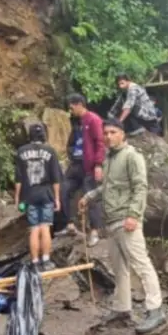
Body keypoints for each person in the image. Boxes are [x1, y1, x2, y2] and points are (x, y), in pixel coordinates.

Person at [79, 119, 165, 335]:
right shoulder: (109, 158)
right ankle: (122, 307)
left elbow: (140, 186)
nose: (108, 136)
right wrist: (89, 196)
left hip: (126, 220)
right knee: (119, 268)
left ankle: (155, 309)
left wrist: (134, 215)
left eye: (113, 132)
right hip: (111, 221)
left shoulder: (132, 156)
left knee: (141, 263)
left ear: (123, 134)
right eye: (106, 133)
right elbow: (107, 187)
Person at [15, 123, 63, 271]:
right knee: (45, 227)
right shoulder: (50, 151)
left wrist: (17, 198)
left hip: (29, 196)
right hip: (46, 195)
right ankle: (46, 260)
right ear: (43, 134)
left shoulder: (21, 152)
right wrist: (57, 198)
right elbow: (56, 178)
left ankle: (35, 262)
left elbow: (18, 179)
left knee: (34, 229)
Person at [63, 94, 105, 247]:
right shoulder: (75, 122)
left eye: (72, 107)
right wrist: (70, 153)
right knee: (63, 189)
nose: (70, 110)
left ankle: (94, 231)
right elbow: (71, 142)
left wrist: (98, 164)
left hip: (89, 165)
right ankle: (69, 225)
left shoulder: (93, 119)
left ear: (80, 104)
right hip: (75, 164)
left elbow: (100, 142)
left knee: (91, 196)